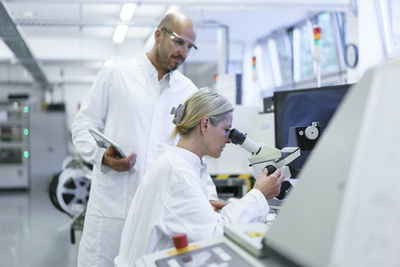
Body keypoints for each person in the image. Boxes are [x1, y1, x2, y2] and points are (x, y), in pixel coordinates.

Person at [71, 12, 212, 267]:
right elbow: (83, 125)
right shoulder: (117, 75)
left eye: (190, 47)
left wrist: (207, 196)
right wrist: (102, 156)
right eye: (179, 42)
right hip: (113, 209)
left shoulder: (188, 92)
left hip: (161, 215)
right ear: (159, 35)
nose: (184, 52)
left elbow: (194, 154)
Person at [115, 88, 284, 266]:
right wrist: (259, 194)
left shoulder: (183, 164)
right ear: (204, 125)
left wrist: (206, 207)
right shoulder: (177, 171)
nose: (228, 140)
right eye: (226, 130)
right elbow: (216, 236)